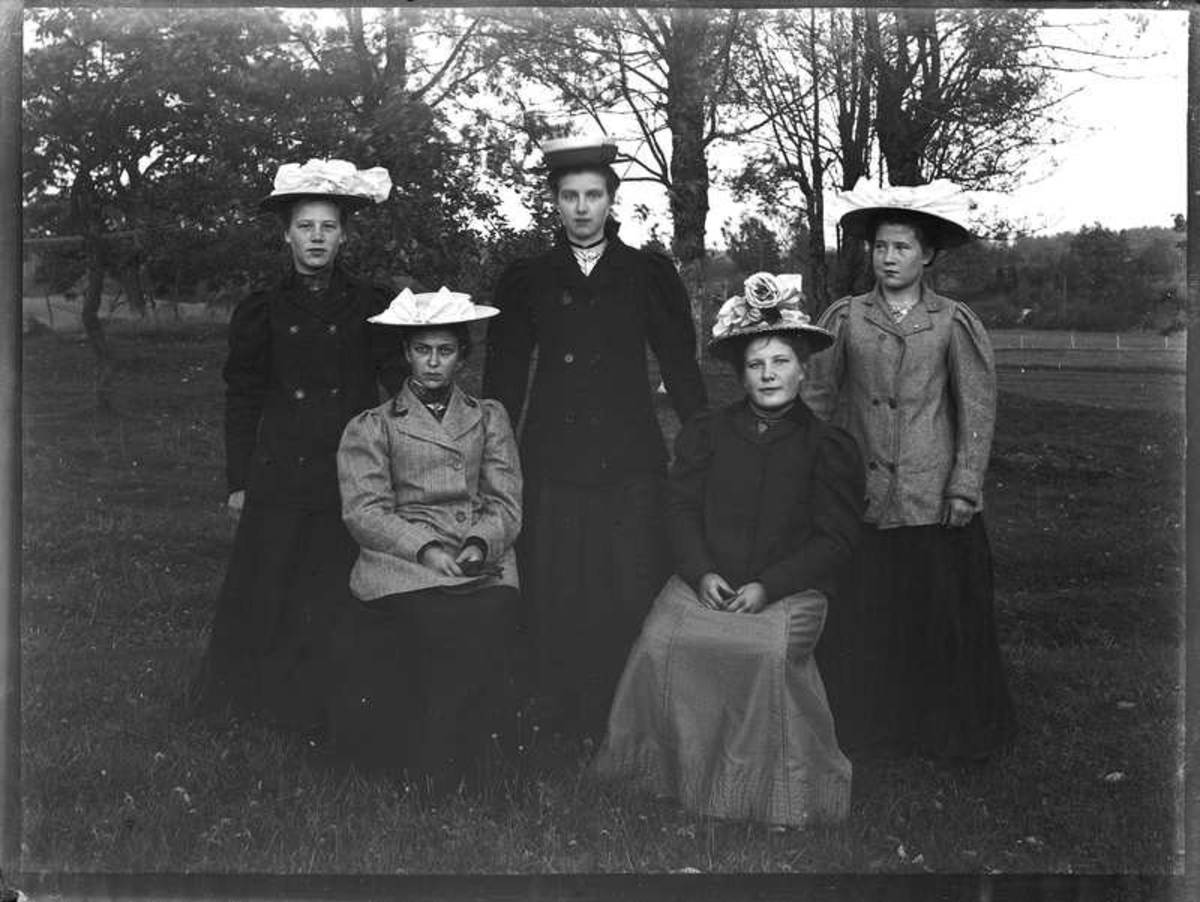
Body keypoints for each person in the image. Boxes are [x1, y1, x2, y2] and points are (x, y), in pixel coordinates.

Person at [593, 273, 865, 827]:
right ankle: (665, 774)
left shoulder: (826, 446)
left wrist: (770, 586)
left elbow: (835, 539)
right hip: (710, 580)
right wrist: (700, 572)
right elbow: (680, 509)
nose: (768, 374)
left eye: (781, 362)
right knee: (660, 641)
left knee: (762, 653)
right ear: (741, 375)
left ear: (802, 369)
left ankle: (761, 791)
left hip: (790, 590)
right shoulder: (708, 431)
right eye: (756, 365)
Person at [483, 135, 708, 742]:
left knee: (628, 580)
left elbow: (680, 364)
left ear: (612, 201)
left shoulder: (645, 274)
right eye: (569, 196)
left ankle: (628, 714)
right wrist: (494, 455)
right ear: (554, 203)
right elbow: (504, 378)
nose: (582, 208)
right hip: (553, 456)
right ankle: (557, 710)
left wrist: (703, 439)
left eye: (593, 196)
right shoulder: (530, 278)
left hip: (629, 455)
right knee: (557, 583)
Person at [803, 179, 1017, 761]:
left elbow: (977, 410)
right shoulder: (845, 318)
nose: (889, 258)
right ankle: (871, 729)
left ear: (927, 256)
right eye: (880, 247)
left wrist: (964, 485)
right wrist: (812, 475)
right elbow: (818, 399)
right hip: (864, 496)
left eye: (901, 247)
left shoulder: (953, 322)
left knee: (938, 617)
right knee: (869, 617)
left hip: (931, 498)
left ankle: (945, 731)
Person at [192, 159, 404, 734]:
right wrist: (239, 481)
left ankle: (334, 705)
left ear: (344, 236)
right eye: (305, 226)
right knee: (270, 587)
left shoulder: (372, 304)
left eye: (328, 227)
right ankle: (256, 705)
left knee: (337, 585)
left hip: (349, 469)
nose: (316, 237)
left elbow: (398, 388)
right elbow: (243, 397)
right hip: (281, 469)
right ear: (286, 234)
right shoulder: (262, 308)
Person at [327, 287, 522, 788]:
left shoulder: (488, 417)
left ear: (463, 356)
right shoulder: (372, 426)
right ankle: (424, 765)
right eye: (422, 350)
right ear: (406, 353)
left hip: (475, 553)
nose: (433, 363)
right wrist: (426, 549)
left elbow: (504, 502)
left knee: (491, 614)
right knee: (435, 621)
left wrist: (479, 543)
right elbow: (364, 512)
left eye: (446, 351)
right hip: (402, 556)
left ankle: (476, 764)